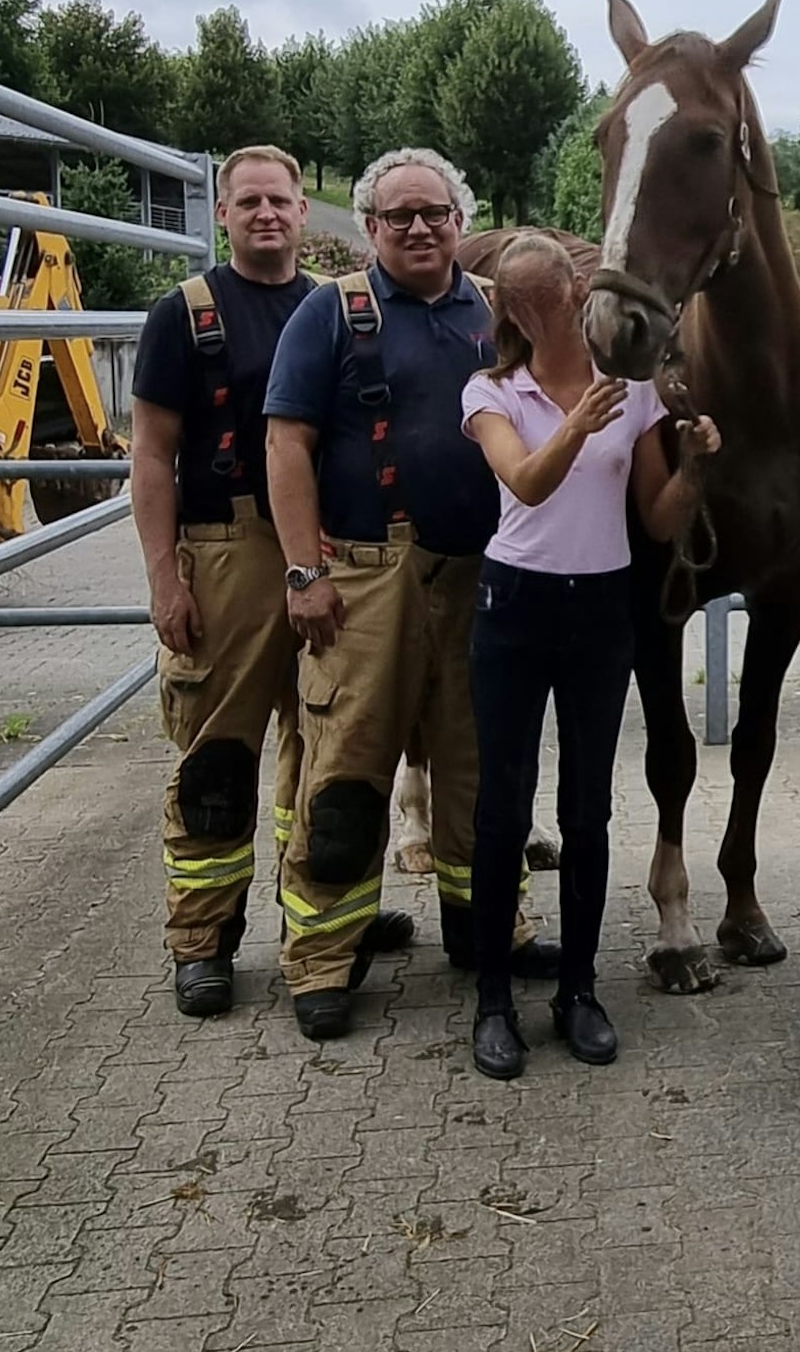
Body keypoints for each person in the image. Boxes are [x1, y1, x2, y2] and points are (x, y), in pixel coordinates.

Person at [263, 146, 560, 1041]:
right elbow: (285, 446)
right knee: (348, 768)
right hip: (362, 578)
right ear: (370, 228)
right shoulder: (330, 313)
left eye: (435, 213)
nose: (421, 228)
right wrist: (303, 573)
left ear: (461, 223)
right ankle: (322, 956)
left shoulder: (498, 317)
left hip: (479, 575)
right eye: (400, 217)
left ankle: (485, 930)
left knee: (480, 770)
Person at [131, 145, 413, 1017]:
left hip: (328, 553)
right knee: (218, 759)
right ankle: (202, 942)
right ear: (223, 214)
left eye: (280, 201)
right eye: (246, 200)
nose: (265, 214)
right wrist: (163, 582)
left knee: (328, 756)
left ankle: (322, 923)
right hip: (225, 554)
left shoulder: (337, 309)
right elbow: (150, 454)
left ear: (303, 212)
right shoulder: (185, 316)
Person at [458, 235, 719, 1079]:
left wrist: (698, 470)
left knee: (587, 811)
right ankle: (493, 998)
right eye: (525, 304)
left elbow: (656, 517)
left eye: (553, 296)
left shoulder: (634, 394)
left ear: (577, 295)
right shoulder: (491, 392)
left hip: (601, 606)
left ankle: (580, 989)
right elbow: (526, 483)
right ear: (513, 315)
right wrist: (577, 420)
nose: (547, 312)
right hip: (515, 603)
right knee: (502, 807)